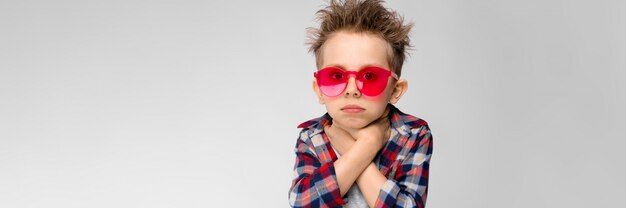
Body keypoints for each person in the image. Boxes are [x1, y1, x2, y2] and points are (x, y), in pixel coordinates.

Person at [288, 0, 433, 207]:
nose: (352, 89)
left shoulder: (413, 135)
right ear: (319, 90)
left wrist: (350, 147)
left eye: (370, 76)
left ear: (395, 90)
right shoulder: (312, 137)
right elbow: (302, 203)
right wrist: (365, 147)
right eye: (336, 75)